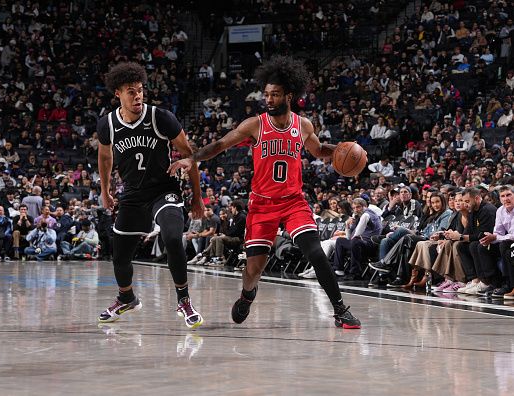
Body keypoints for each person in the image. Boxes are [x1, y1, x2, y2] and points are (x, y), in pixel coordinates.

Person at [169, 56, 361, 329]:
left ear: (289, 96)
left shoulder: (303, 125)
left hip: (294, 202)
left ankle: (341, 310)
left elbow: (319, 151)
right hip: (262, 205)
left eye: (275, 95)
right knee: (254, 269)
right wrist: (193, 159)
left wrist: (342, 150)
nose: (269, 100)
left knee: (316, 253)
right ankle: (248, 295)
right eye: (267, 95)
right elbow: (221, 144)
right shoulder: (255, 124)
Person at [96, 62, 204, 328]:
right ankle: (126, 297)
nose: (137, 96)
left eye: (140, 90)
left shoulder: (160, 117)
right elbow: (105, 155)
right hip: (132, 195)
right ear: (118, 94)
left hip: (163, 190)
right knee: (119, 256)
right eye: (131, 92)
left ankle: (184, 300)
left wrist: (198, 198)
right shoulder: (107, 124)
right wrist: (105, 190)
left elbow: (189, 154)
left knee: (171, 236)